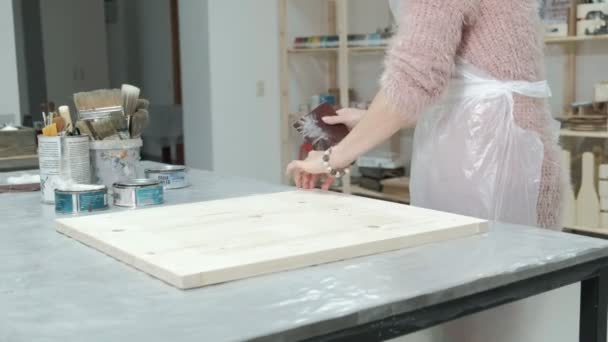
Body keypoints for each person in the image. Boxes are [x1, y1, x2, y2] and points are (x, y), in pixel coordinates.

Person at [287, 0, 563, 229]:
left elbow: (414, 81)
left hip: (488, 164)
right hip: (513, 150)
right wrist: (367, 119)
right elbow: (471, 85)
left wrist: (332, 158)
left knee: (476, 283)